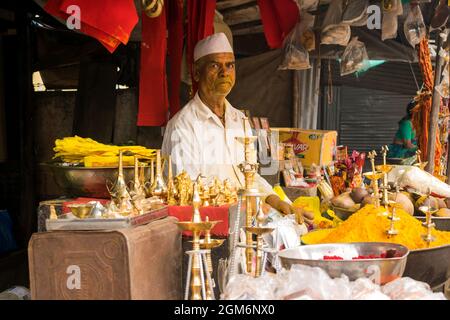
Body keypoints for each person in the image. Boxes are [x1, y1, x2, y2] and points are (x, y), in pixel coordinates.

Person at [162, 32, 313, 226]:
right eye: (215, 65)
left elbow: (249, 175)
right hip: (207, 229)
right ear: (197, 72)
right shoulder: (184, 125)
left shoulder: (239, 120)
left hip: (244, 218)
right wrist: (249, 204)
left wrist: (274, 200)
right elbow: (189, 188)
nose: (224, 72)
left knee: (292, 230)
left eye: (230, 65)